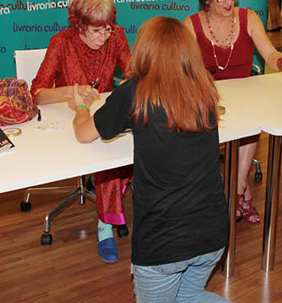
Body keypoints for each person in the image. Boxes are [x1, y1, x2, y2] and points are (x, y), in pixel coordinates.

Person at [72, 17, 229, 303]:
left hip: (162, 243)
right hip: (213, 232)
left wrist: (81, 106)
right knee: (191, 296)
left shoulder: (134, 91)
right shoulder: (204, 89)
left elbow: (85, 134)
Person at [184, 0, 282, 224]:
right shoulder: (191, 26)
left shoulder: (249, 18)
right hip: (208, 98)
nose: (230, 1)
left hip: (245, 95)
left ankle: (236, 192)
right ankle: (243, 193)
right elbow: (182, 68)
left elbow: (270, 54)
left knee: (252, 123)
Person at [31, 0, 132, 263]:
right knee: (108, 160)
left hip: (106, 119)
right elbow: (37, 93)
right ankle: (104, 226)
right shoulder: (61, 42)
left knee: (132, 145)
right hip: (72, 123)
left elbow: (133, 73)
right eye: (96, 31)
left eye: (107, 30)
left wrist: (129, 84)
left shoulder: (117, 36)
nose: (104, 37)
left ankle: (105, 205)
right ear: (79, 25)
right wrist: (71, 91)